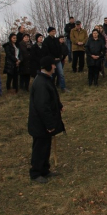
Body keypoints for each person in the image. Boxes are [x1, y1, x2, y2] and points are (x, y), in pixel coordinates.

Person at [28, 56, 65, 184]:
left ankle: (44, 170)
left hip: (44, 124)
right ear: (48, 66)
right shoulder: (41, 83)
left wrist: (59, 105)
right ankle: (36, 173)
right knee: (39, 148)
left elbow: (52, 96)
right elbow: (42, 106)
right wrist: (50, 125)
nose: (55, 67)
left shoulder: (46, 79)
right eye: (53, 65)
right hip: (40, 124)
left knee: (46, 146)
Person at [42, 27, 68, 92]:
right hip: (51, 60)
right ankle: (50, 88)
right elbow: (47, 51)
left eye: (54, 31)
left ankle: (63, 87)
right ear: (49, 32)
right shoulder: (46, 41)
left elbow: (60, 49)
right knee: (51, 75)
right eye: (52, 31)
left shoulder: (56, 40)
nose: (54, 32)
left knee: (61, 74)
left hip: (58, 60)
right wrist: (53, 58)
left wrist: (59, 57)